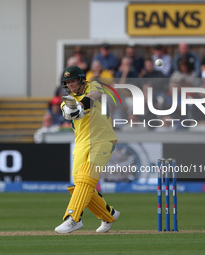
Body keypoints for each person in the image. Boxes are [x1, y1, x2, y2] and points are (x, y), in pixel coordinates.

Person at [54, 65, 120, 234]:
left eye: (73, 81)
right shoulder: (66, 100)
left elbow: (94, 95)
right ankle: (108, 214)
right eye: (67, 83)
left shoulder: (94, 85)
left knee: (86, 178)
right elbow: (66, 111)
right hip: (82, 144)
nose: (71, 85)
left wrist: (81, 106)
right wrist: (71, 110)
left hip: (103, 140)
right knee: (80, 186)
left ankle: (73, 219)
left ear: (81, 79)